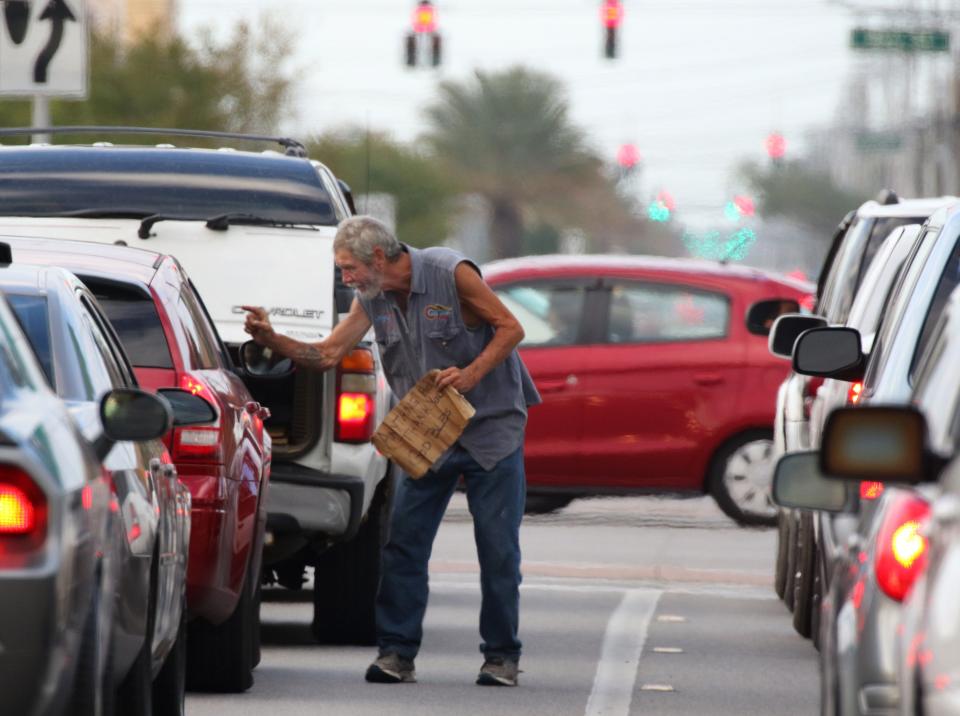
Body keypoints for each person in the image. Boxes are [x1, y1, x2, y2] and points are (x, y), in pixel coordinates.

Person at [242, 215, 540, 687]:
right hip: (425, 436)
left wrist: (471, 374)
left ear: (377, 258)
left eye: (348, 269)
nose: (346, 280)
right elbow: (327, 355)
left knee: (498, 550)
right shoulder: (372, 297)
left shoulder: (450, 272)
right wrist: (272, 339)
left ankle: (501, 656)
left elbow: (510, 328)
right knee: (403, 546)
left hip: (491, 431)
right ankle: (396, 654)